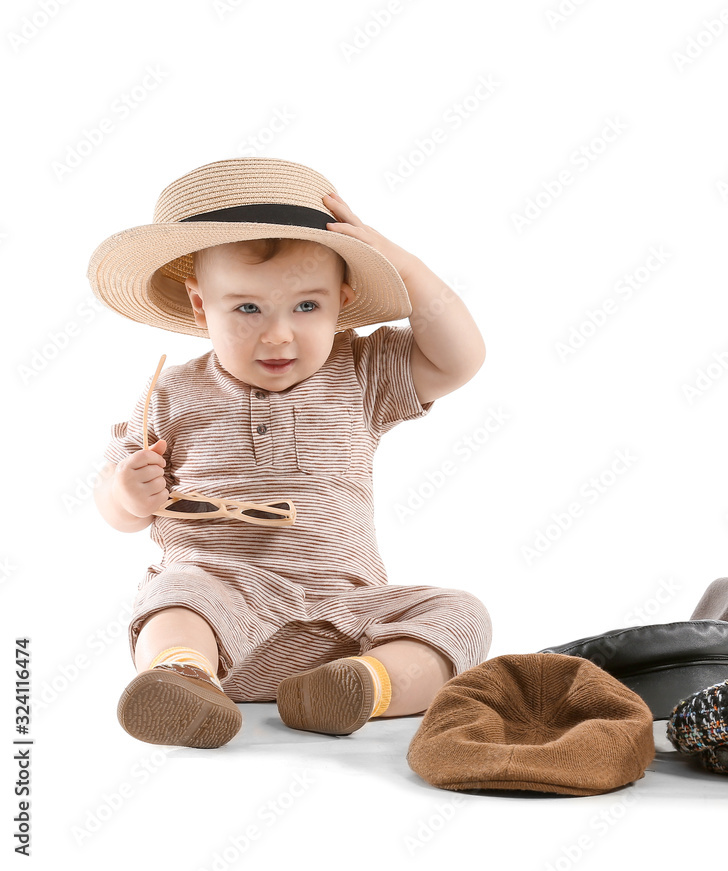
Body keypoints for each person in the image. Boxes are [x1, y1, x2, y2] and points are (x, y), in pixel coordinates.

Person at [89, 157, 492, 748]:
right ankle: (179, 674)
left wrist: (404, 266)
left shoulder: (360, 372)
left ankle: (362, 687)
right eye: (247, 309)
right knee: (174, 593)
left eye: (306, 306)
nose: (278, 335)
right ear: (201, 307)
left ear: (341, 299)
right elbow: (115, 508)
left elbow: (461, 357)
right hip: (222, 613)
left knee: (460, 614)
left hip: (346, 622)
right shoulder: (173, 393)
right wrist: (126, 493)